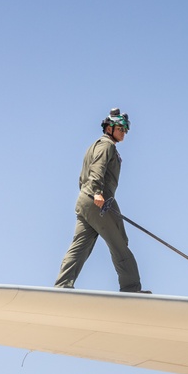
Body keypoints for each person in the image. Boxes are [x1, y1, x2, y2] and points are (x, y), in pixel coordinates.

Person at [54, 108, 149, 293]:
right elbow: (98, 168)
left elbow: (83, 178)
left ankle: (62, 286)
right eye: (121, 128)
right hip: (100, 201)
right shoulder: (107, 146)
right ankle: (131, 289)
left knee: (80, 246)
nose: (124, 132)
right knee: (119, 243)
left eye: (126, 129)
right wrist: (97, 193)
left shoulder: (94, 146)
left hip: (85, 201)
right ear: (109, 128)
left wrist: (89, 194)